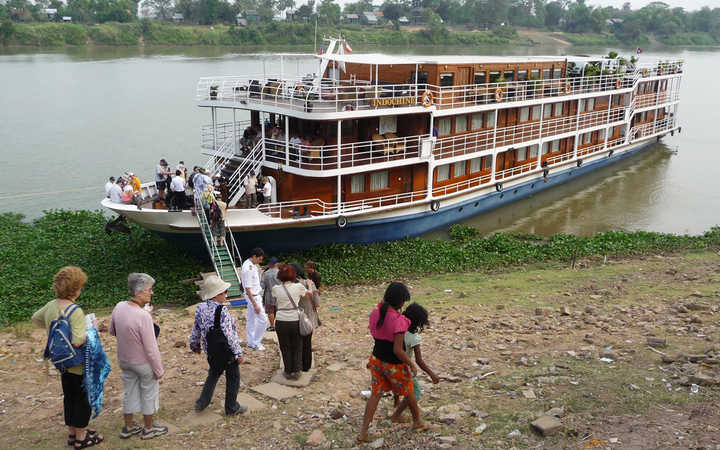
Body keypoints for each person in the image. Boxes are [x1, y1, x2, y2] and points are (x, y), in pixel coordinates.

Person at [32, 266, 105, 449]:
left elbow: (35, 319)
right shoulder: (75, 311)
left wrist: (53, 329)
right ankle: (81, 439)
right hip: (78, 364)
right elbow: (79, 340)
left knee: (69, 398)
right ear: (76, 289)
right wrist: (93, 328)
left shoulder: (51, 306)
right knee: (82, 400)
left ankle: (72, 434)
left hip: (61, 362)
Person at [357, 282, 429, 444]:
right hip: (393, 364)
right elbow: (397, 349)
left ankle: (363, 432)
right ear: (400, 301)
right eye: (404, 301)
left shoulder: (375, 313)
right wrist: (411, 363)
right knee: (409, 389)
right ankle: (418, 421)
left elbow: (378, 337)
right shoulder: (400, 320)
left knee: (375, 394)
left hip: (376, 360)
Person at [110, 273, 167, 441]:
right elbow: (151, 348)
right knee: (149, 393)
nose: (152, 293)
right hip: (142, 362)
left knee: (129, 392)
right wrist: (159, 370)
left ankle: (128, 427)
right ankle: (149, 428)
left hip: (124, 360)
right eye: (150, 290)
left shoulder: (119, 306)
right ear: (139, 292)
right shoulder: (143, 316)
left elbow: (113, 331)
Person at [190, 275, 248, 416]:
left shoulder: (201, 308)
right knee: (233, 378)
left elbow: (196, 328)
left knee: (214, 374)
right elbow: (230, 336)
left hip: (211, 350)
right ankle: (231, 407)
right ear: (217, 294)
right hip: (226, 352)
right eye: (224, 292)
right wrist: (238, 354)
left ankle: (202, 402)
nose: (226, 295)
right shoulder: (223, 311)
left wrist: (195, 344)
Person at [391, 303, 440, 421]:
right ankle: (396, 415)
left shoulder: (396, 328)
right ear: (419, 322)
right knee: (415, 392)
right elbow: (419, 361)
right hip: (403, 367)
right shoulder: (414, 337)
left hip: (389, 364)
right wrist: (431, 374)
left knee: (396, 384)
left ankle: (396, 402)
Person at [271, 264, 312, 380]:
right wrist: (309, 286)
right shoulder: (298, 287)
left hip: (280, 320)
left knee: (285, 346)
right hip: (294, 319)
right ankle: (297, 370)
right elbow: (309, 294)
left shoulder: (275, 289)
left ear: (280, 276)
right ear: (293, 275)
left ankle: (288, 371)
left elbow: (274, 298)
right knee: (297, 346)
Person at [290, 263, 320, 373]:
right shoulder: (308, 283)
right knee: (307, 343)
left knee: (295, 344)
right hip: (307, 318)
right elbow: (317, 303)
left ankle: (296, 366)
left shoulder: (286, 285)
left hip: (292, 318)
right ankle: (306, 366)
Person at [241, 248, 266, 350]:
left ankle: (251, 342)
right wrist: (255, 304)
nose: (260, 261)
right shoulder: (248, 268)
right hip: (253, 297)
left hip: (255, 295)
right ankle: (256, 342)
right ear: (254, 256)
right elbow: (247, 288)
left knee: (251, 319)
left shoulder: (251, 265)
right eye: (259, 259)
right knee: (263, 319)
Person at [260, 257, 280, 331]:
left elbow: (262, 286)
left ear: (269, 264)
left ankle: (272, 326)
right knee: (279, 310)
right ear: (276, 264)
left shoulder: (266, 273)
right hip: (279, 294)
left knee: (270, 311)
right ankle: (279, 325)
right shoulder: (280, 272)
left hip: (269, 294)